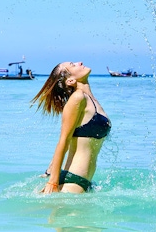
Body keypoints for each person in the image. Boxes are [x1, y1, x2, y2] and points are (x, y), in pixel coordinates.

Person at [31, 61, 111, 193]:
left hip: (84, 182)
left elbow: (74, 139)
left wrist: (50, 169)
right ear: (70, 81)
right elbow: (64, 139)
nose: (80, 62)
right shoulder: (78, 98)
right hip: (73, 182)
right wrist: (53, 182)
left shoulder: (91, 100)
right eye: (73, 65)